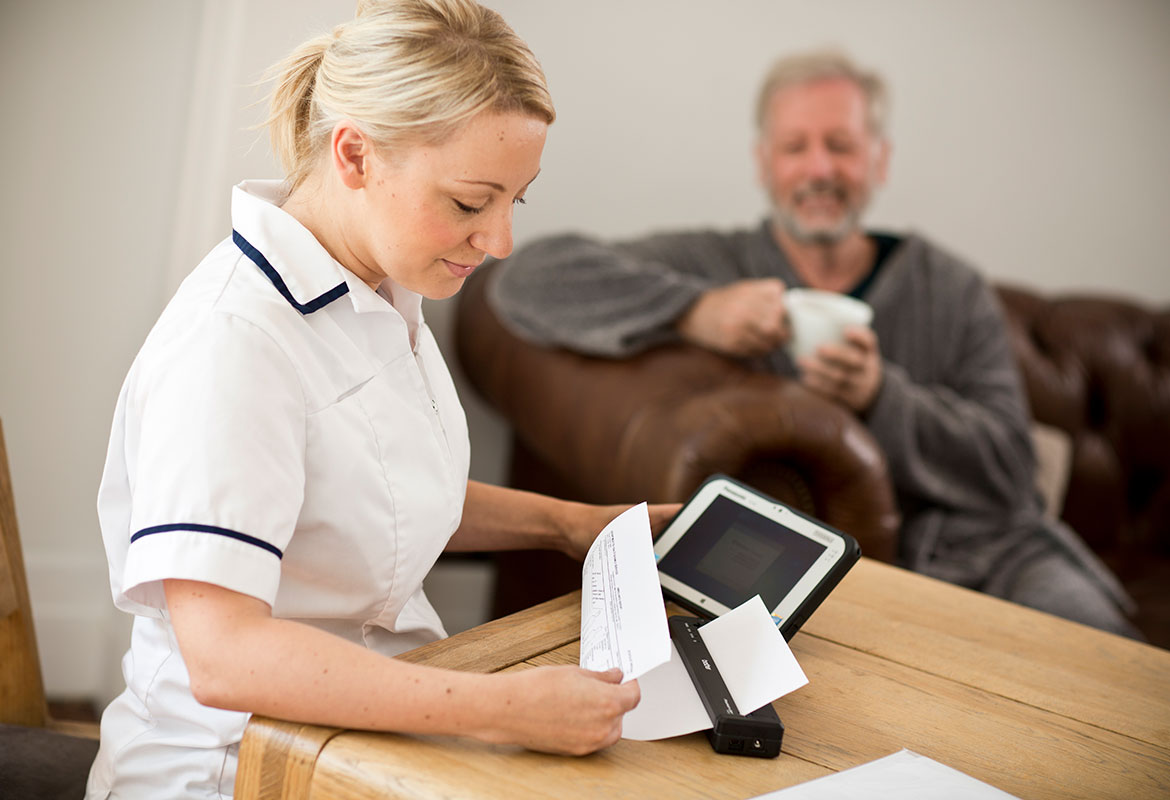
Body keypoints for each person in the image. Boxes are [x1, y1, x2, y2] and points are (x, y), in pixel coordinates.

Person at [86, 3, 678, 797]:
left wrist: (575, 526)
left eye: (517, 201)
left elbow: (375, 490)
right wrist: (500, 708)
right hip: (236, 768)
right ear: (356, 154)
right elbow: (226, 655)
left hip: (366, 738)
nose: (500, 240)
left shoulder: (376, 286)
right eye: (472, 203)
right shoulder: (233, 346)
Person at [488, 49, 1142, 640]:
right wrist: (695, 310)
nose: (820, 167)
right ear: (764, 163)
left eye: (842, 145)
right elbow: (527, 281)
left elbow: (1011, 472)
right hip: (822, 566)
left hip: (1000, 554)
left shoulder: (951, 288)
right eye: (796, 147)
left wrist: (881, 396)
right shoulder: (717, 262)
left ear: (878, 160)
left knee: (1103, 659)